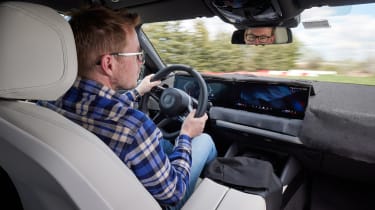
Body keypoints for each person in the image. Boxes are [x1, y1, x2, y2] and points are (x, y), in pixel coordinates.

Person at [38, 6, 217, 210]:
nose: (141, 61)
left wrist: (139, 91)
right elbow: (174, 193)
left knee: (167, 145)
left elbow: (99, 111)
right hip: (160, 201)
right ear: (109, 64)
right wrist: (186, 134)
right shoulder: (135, 128)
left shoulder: (47, 102)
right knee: (204, 140)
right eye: (138, 54)